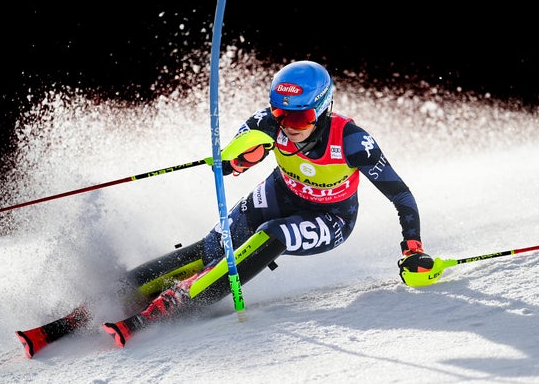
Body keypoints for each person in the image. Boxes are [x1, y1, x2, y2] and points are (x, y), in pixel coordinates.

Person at [100, 60, 434, 347]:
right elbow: (233, 158)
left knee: (274, 234)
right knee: (214, 248)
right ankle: (109, 295)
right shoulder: (267, 123)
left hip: (331, 218)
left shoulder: (354, 142)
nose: (289, 125)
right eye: (281, 114)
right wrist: (236, 161)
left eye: (301, 118)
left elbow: (400, 194)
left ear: (322, 109)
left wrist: (413, 248)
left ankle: (166, 307)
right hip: (280, 193)